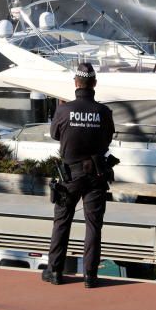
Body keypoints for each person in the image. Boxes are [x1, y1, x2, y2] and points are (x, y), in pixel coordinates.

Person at [41, 62, 114, 288]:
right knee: (93, 225)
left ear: (76, 83)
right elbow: (108, 139)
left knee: (62, 222)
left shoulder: (64, 110)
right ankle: (90, 276)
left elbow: (54, 134)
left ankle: (54, 271)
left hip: (70, 176)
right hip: (96, 176)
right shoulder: (104, 112)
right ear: (94, 84)